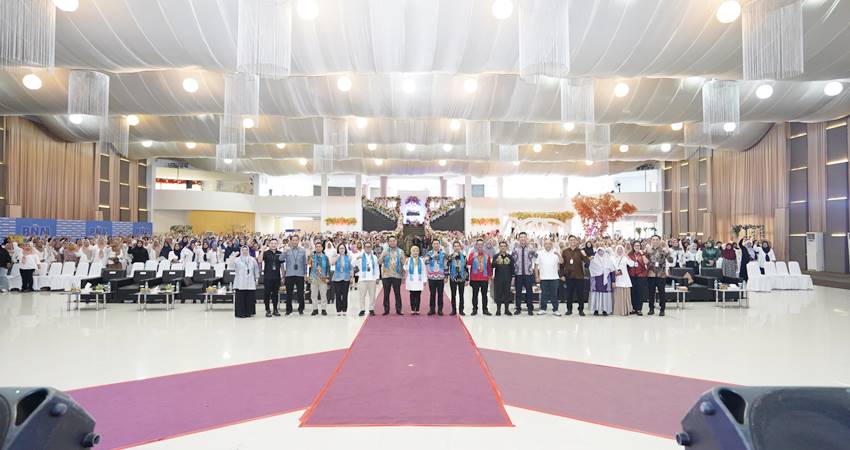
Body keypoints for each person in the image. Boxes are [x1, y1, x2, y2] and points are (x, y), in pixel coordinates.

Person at [560, 235, 589, 316]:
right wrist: (561, 275)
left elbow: (587, 262)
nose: (572, 241)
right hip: (569, 277)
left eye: (574, 240)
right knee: (569, 294)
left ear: (576, 241)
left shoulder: (580, 251)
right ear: (568, 241)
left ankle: (581, 310)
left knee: (580, 294)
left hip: (579, 277)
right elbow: (562, 264)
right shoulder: (565, 251)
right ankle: (569, 310)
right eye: (571, 240)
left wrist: (585, 255)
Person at [511, 232, 537, 315]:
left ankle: (530, 308)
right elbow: (512, 261)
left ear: (526, 238)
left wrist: (533, 248)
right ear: (519, 238)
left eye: (524, 237)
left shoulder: (530, 248)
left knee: (529, 291)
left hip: (528, 273)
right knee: (518, 292)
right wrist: (513, 275)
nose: (522, 238)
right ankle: (518, 308)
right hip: (518, 274)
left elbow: (536, 257)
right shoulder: (515, 248)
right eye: (521, 237)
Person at [280, 235, 307, 315]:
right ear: (291, 241)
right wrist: (284, 251)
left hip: (300, 274)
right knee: (289, 293)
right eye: (293, 240)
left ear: (298, 241)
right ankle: (289, 309)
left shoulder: (302, 250)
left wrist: (305, 273)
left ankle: (301, 309)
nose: (295, 242)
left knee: (300, 293)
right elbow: (280, 259)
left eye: (296, 240)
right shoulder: (287, 250)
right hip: (289, 274)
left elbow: (304, 263)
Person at [646, 235, 673, 316]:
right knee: (651, 292)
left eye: (656, 239)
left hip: (661, 275)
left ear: (659, 241)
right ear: (651, 241)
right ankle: (651, 309)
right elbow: (646, 262)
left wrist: (668, 252)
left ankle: (662, 309)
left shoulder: (663, 250)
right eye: (653, 239)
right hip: (651, 274)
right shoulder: (648, 251)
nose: (655, 241)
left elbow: (671, 261)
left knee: (662, 292)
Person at [536, 239, 562, 316]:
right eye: (546, 244)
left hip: (554, 278)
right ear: (544, 245)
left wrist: (558, 254)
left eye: (549, 244)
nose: (548, 245)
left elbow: (561, 262)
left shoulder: (555, 253)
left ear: (552, 245)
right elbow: (536, 265)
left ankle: (555, 310)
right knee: (544, 294)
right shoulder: (539, 253)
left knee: (554, 294)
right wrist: (537, 276)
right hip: (543, 278)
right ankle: (543, 309)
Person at [380, 236, 405, 315]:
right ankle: (386, 309)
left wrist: (403, 276)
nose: (392, 242)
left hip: (397, 275)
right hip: (386, 275)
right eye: (390, 241)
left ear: (396, 242)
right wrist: (382, 256)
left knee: (397, 293)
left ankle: (398, 309)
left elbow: (403, 264)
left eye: (394, 241)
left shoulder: (400, 251)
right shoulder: (385, 251)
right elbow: (379, 262)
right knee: (386, 293)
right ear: (388, 242)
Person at [466, 238, 493, 316]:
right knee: (475, 295)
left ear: (483, 245)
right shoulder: (472, 254)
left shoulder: (487, 255)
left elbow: (489, 267)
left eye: (481, 244)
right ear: (476, 245)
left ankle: (485, 309)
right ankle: (474, 309)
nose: (480, 246)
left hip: (484, 278)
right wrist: (473, 257)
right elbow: (468, 264)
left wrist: (490, 276)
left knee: (484, 295)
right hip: (474, 278)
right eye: (478, 245)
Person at [233, 246, 259, 318]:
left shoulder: (252, 259)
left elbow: (256, 270)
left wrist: (257, 279)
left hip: (250, 281)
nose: (245, 251)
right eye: (243, 250)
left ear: (248, 251)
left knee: (249, 297)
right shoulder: (237, 260)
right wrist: (234, 256)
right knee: (240, 298)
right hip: (240, 282)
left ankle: (249, 312)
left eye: (246, 250)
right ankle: (241, 313)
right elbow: (230, 265)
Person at [355, 241, 380, 316]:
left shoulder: (374, 257)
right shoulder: (360, 256)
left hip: (372, 278)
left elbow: (376, 268)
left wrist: (377, 277)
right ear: (364, 248)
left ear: (371, 248)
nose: (368, 248)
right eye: (366, 247)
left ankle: (371, 309)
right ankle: (362, 309)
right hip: (362, 279)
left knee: (372, 295)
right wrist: (356, 259)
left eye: (369, 247)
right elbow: (353, 265)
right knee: (362, 295)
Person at [589, 247, 615, 315]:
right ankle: (596, 309)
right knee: (596, 294)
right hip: (597, 280)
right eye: (599, 251)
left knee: (605, 295)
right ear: (597, 252)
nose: (601, 252)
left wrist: (613, 281)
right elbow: (590, 268)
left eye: (602, 251)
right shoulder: (593, 260)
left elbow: (612, 271)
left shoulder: (608, 260)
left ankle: (605, 310)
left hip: (606, 280)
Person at [612, 245, 636, 316]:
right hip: (616, 278)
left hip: (624, 278)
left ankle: (625, 310)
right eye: (618, 249)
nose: (619, 251)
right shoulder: (613, 258)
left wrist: (628, 257)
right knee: (617, 294)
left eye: (621, 249)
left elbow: (632, 264)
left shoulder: (625, 258)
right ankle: (617, 310)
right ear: (616, 250)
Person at [492, 241, 515, 316]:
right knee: (498, 294)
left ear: (506, 247)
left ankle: (506, 310)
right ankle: (498, 310)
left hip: (507, 279)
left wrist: (513, 278)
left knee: (507, 295)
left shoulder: (510, 257)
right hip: (498, 279)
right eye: (501, 246)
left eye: (504, 246)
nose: (503, 247)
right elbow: (492, 266)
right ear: (499, 247)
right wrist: (496, 261)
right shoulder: (496, 256)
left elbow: (512, 268)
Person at [425, 240, 447, 316]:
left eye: (437, 244)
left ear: (439, 245)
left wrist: (446, 275)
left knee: (440, 294)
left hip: (440, 276)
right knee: (432, 294)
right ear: (432, 245)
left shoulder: (443, 254)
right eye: (434, 244)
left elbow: (446, 265)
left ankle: (440, 309)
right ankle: (432, 309)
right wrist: (432, 257)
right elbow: (426, 262)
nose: (436, 245)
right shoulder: (429, 253)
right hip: (431, 277)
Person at [308, 241, 330, 316]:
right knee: (313, 295)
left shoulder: (325, 257)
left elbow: (328, 268)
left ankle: (323, 309)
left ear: (322, 248)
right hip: (314, 277)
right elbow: (308, 267)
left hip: (323, 278)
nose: (318, 248)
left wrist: (327, 277)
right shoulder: (312, 257)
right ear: (315, 248)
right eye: (316, 247)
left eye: (319, 246)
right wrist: (308, 277)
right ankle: (315, 309)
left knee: (323, 294)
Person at [261, 239, 282, 317]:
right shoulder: (266, 253)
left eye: (275, 243)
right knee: (267, 294)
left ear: (277, 245)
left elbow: (282, 265)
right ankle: (267, 310)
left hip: (277, 277)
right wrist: (262, 250)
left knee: (275, 294)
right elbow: (260, 260)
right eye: (272, 243)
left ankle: (275, 309)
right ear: (269, 244)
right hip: (268, 277)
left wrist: (283, 275)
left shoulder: (280, 253)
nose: (273, 245)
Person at [331, 243, 353, 316]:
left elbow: (351, 268)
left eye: (343, 248)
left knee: (345, 295)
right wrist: (337, 257)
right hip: (337, 278)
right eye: (340, 248)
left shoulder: (348, 257)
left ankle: (344, 310)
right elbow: (332, 263)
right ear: (338, 249)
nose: (342, 250)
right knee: (337, 295)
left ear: (345, 249)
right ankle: (338, 310)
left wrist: (352, 277)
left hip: (346, 278)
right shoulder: (335, 256)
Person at [628, 242, 649, 316]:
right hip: (632, 275)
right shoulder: (630, 254)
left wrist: (642, 254)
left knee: (640, 292)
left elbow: (646, 262)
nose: (637, 246)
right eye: (635, 245)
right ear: (633, 246)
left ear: (640, 246)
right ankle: (634, 308)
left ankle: (639, 309)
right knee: (633, 292)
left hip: (641, 275)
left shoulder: (643, 253)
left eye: (638, 245)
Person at [448, 241, 468, 316]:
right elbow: (447, 265)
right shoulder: (450, 256)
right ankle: (453, 310)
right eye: (455, 246)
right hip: (453, 278)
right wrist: (451, 258)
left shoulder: (464, 256)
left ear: (460, 247)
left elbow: (466, 268)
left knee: (461, 294)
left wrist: (467, 279)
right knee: (453, 294)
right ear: (453, 247)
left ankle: (461, 310)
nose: (456, 247)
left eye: (458, 246)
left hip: (462, 278)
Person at [406, 246, 425, 314]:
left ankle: (417, 309)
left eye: (416, 251)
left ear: (418, 252)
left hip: (419, 280)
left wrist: (425, 280)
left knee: (418, 295)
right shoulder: (409, 260)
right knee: (412, 295)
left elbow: (423, 270)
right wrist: (405, 263)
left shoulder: (421, 260)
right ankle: (412, 309)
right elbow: (405, 269)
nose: (415, 252)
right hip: (411, 281)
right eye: (414, 251)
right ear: (411, 252)